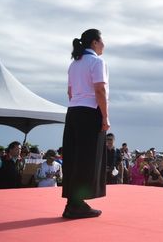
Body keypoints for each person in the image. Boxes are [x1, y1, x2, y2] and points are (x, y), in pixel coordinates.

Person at [62, 29, 109, 219]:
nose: (104, 44)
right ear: (95, 43)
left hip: (73, 111)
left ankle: (72, 202)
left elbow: (70, 92)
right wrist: (104, 116)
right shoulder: (97, 62)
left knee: (74, 158)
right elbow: (99, 90)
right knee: (88, 159)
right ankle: (77, 204)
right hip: (90, 111)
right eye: (102, 40)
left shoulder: (74, 64)